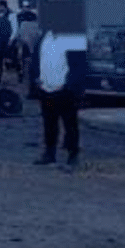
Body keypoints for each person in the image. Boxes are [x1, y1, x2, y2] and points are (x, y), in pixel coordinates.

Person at [31, 28, 88, 167]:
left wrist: (70, 84)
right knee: (49, 123)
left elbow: (80, 65)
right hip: (46, 88)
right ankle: (49, 153)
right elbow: (36, 60)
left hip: (65, 89)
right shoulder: (43, 37)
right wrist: (36, 78)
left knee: (70, 124)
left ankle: (73, 154)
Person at [13, 1, 41, 83]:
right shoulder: (18, 16)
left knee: (32, 57)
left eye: (27, 6)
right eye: (24, 6)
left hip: (31, 38)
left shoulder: (34, 15)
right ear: (22, 7)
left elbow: (36, 26)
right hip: (21, 39)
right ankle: (20, 74)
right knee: (19, 56)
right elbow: (16, 27)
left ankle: (32, 74)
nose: (26, 8)